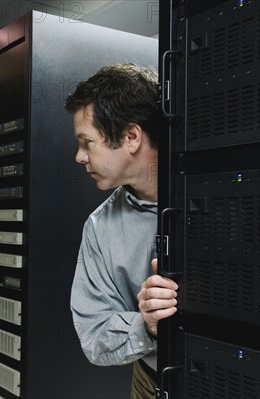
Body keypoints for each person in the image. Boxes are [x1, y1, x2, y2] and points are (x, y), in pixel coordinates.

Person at [66, 64, 179, 399]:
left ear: (131, 136)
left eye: (87, 143)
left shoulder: (223, 195)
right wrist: (146, 325)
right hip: (150, 381)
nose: (79, 157)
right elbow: (94, 334)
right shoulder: (100, 228)